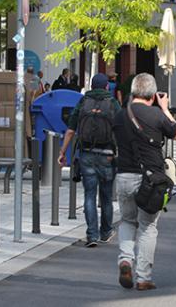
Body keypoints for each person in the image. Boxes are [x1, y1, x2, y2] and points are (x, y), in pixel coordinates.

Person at [112, 73, 176, 290]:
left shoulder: (120, 115)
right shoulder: (156, 115)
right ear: (152, 95)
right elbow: (175, 133)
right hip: (150, 180)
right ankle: (143, 277)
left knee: (127, 221)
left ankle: (125, 260)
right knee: (148, 226)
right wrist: (165, 107)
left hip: (123, 176)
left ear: (133, 92)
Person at [59, 73, 120, 248]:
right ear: (107, 86)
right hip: (107, 155)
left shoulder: (83, 102)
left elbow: (71, 130)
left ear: (92, 87)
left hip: (86, 154)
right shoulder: (113, 103)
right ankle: (106, 232)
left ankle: (91, 235)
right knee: (107, 197)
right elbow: (121, 129)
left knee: (89, 195)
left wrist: (62, 152)